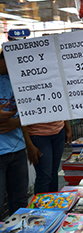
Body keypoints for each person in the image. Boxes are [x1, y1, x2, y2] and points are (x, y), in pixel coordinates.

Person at [0, 52, 40, 217]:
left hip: (17, 149)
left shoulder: (18, 82)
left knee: (20, 200)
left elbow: (31, 111)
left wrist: (29, 144)